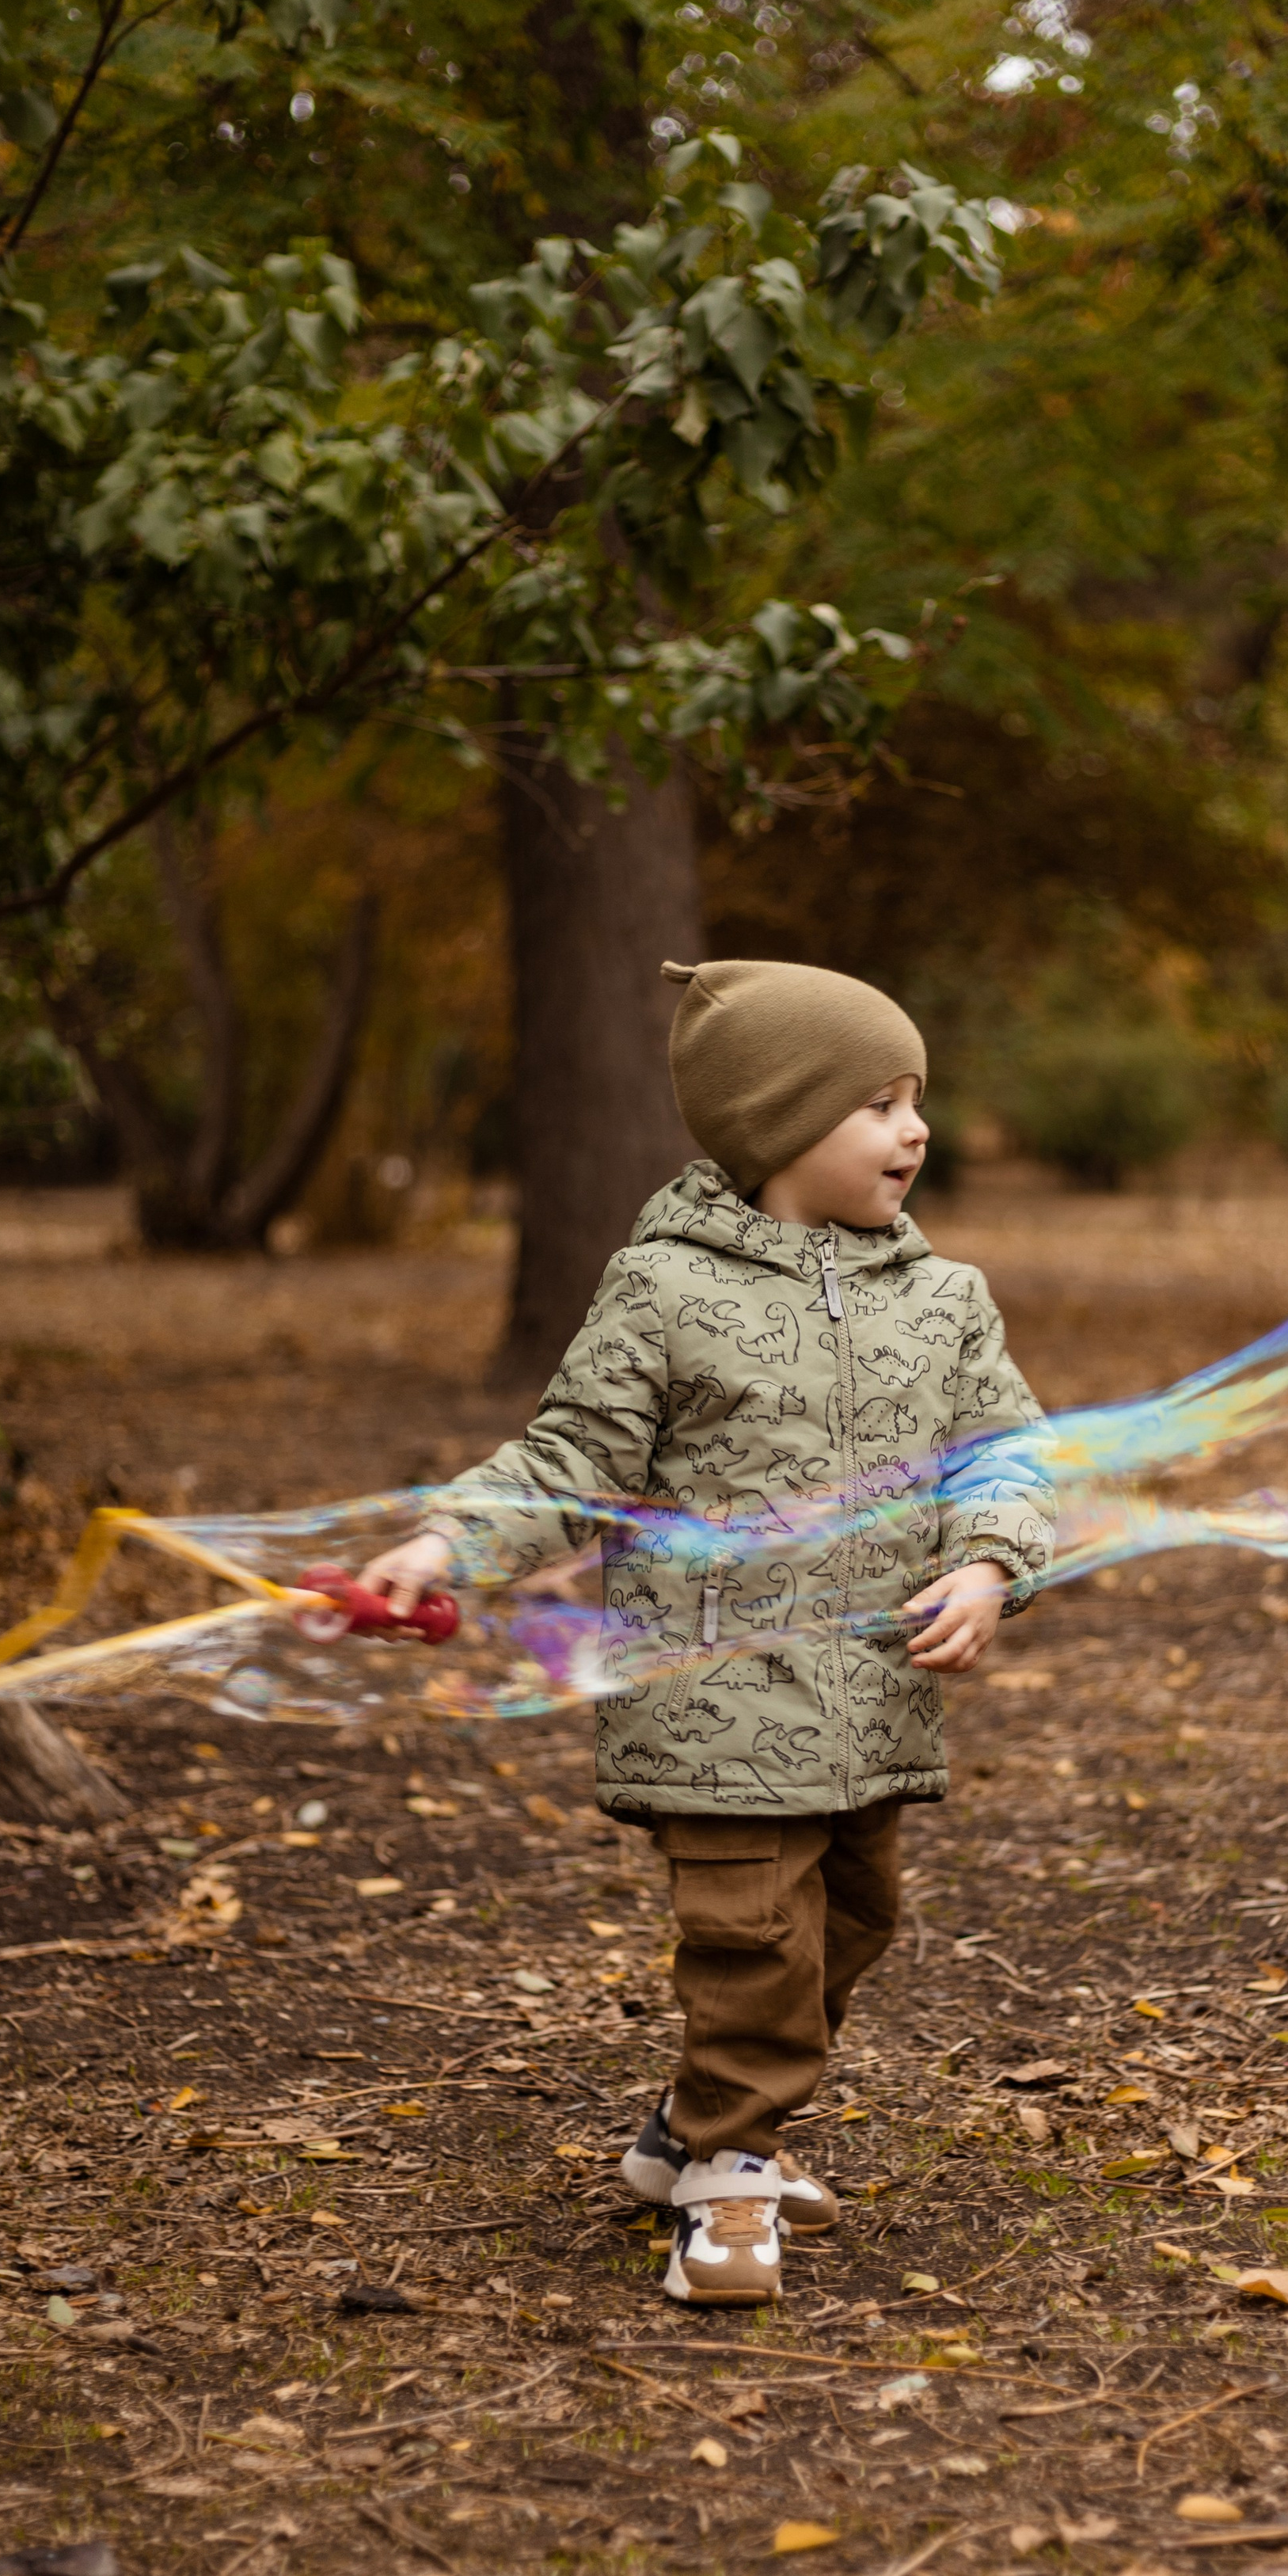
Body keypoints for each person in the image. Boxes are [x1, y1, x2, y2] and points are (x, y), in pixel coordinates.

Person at [360, 959, 1054, 2307]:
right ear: (779, 1124)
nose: (916, 1130)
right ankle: (732, 2177)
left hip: (873, 1694)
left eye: (919, 1102)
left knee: (856, 1916)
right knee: (751, 1936)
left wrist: (987, 1563)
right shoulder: (662, 1290)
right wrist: (449, 1543)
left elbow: (1006, 1454)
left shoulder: (945, 1299)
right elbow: (572, 1459)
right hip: (713, 1701)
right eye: (880, 1103)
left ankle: (689, 2128)